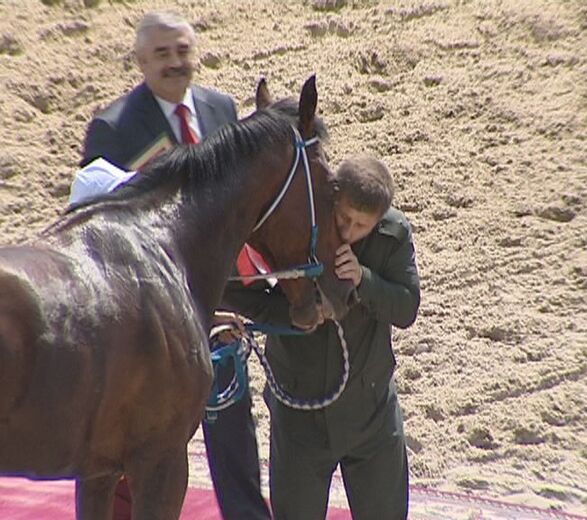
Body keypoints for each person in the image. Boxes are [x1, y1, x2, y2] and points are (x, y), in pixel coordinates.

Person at [80, 10, 271, 520]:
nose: (174, 62)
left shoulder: (221, 109)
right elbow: (96, 225)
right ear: (140, 60)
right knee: (135, 448)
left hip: (220, 298)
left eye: (182, 50)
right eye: (161, 53)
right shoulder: (112, 127)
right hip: (147, 320)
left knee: (232, 430)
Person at [220, 155, 421, 519]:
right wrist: (302, 314)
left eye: (362, 225)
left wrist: (364, 280)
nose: (348, 229)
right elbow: (237, 292)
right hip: (299, 413)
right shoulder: (292, 227)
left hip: (370, 412)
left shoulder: (392, 234)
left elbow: (406, 308)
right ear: (331, 198)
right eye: (343, 217)